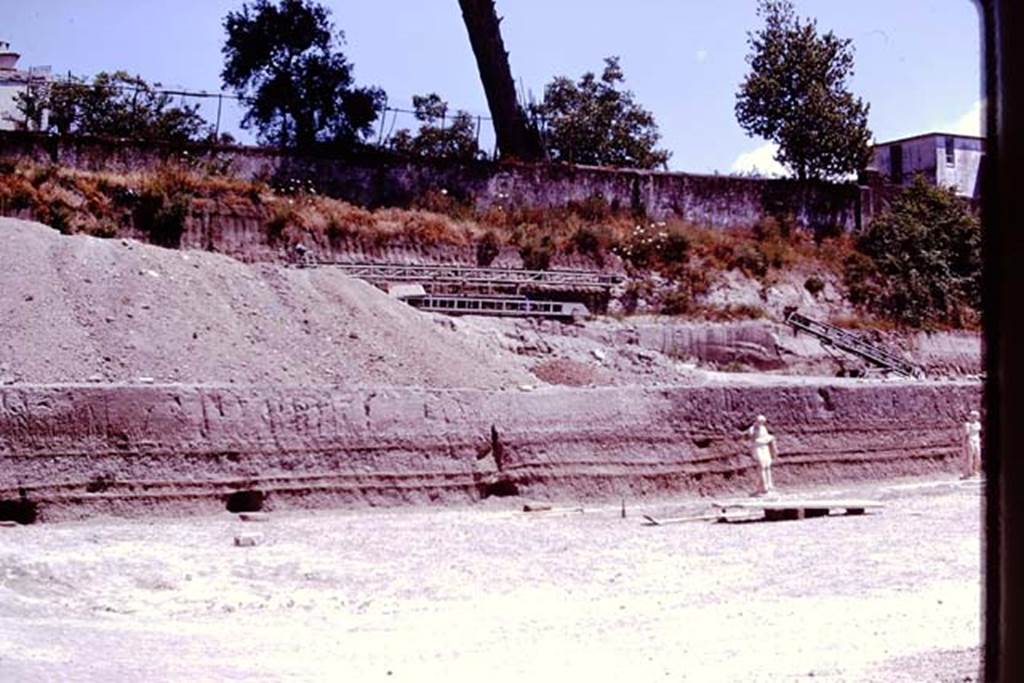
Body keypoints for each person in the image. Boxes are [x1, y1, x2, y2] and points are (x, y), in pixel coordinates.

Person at [747, 414, 778, 496]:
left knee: (767, 466)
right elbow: (752, 437)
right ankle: (764, 487)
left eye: (762, 422)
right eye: (760, 421)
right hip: (758, 448)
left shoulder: (763, 428)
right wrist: (754, 428)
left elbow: (767, 437)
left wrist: (770, 439)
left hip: (764, 448)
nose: (761, 423)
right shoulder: (753, 429)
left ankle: (768, 486)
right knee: (762, 467)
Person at [962, 409, 982, 479]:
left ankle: (976, 472)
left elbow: (978, 432)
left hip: (976, 441)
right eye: (973, 416)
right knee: (970, 457)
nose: (974, 417)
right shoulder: (967, 424)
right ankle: (969, 473)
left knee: (978, 457)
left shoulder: (978, 424)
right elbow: (966, 434)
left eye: (976, 416)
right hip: (970, 441)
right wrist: (964, 444)